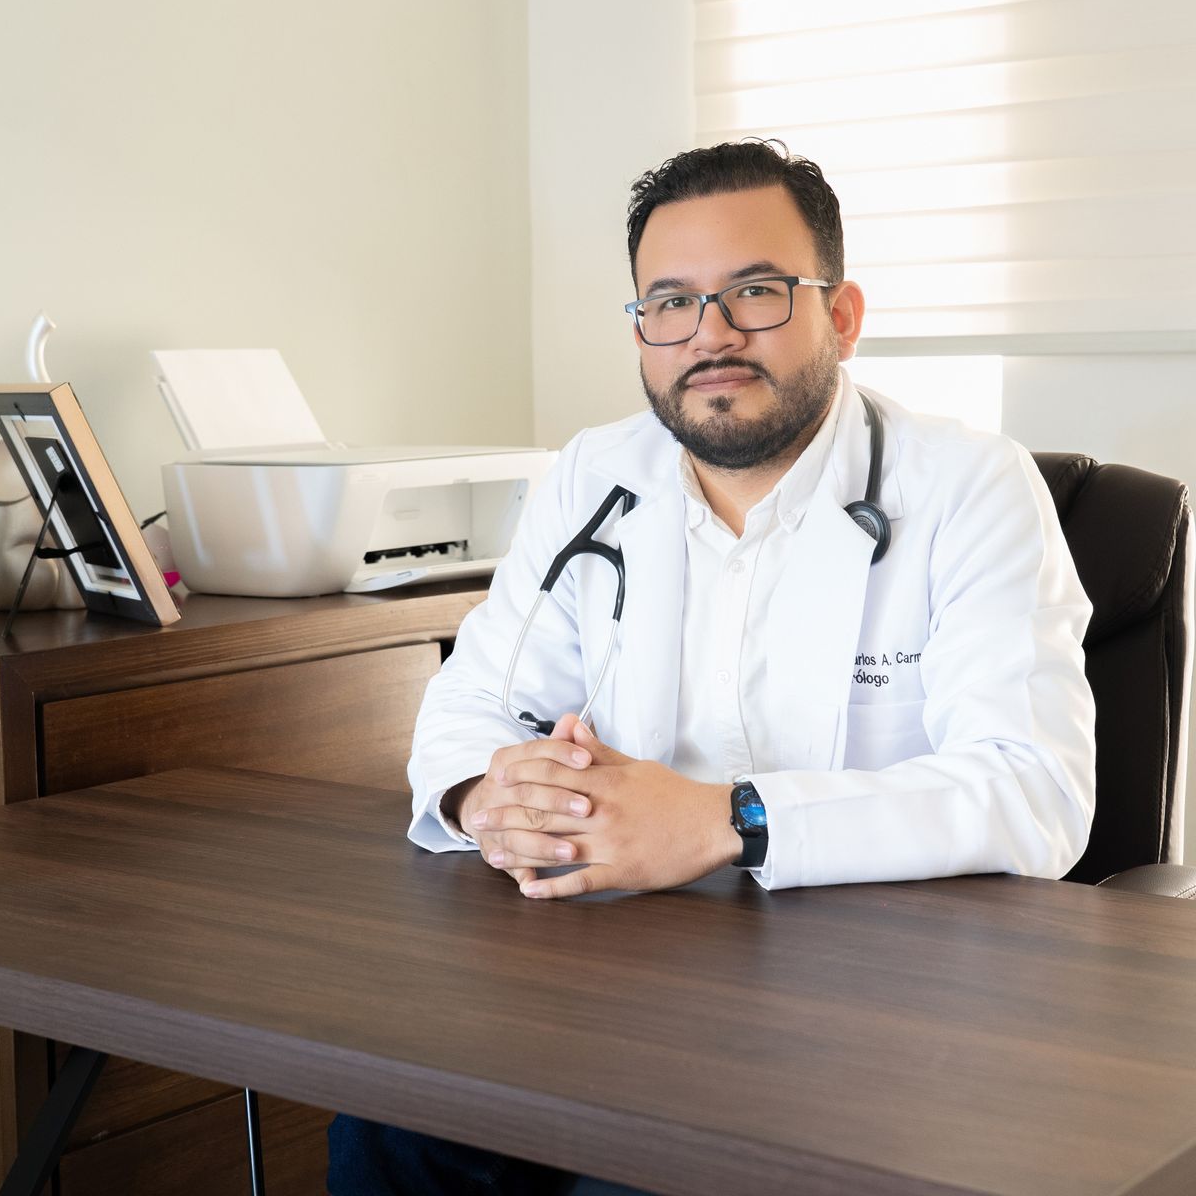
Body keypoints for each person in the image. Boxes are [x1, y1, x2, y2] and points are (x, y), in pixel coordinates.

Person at [326, 139, 1095, 1193]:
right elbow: (476, 697)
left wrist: (727, 820)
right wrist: (487, 797)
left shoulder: (967, 486)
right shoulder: (594, 475)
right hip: (625, 972)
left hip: (877, 1002)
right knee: (388, 1119)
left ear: (841, 315)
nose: (711, 333)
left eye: (756, 292)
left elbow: (1031, 787)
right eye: (671, 302)